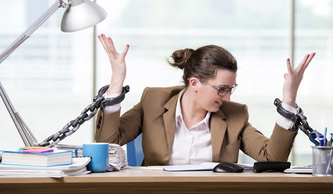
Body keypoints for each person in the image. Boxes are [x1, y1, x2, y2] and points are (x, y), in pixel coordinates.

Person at [95, 33, 315, 166]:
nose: (227, 97)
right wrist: (116, 81)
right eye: (221, 89)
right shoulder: (153, 100)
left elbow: (272, 158)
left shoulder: (234, 114)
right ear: (194, 84)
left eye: (231, 89)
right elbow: (108, 142)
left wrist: (289, 100)